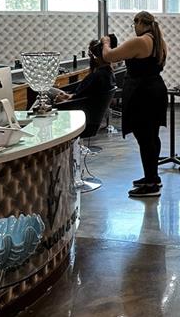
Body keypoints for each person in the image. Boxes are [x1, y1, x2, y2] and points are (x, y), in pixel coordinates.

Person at [101, 11, 168, 198]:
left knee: (145, 139)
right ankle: (152, 177)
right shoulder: (159, 41)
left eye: (134, 24)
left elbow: (109, 56)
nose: (134, 28)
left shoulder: (140, 41)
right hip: (155, 90)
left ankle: (151, 185)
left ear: (140, 22)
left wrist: (105, 43)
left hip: (142, 93)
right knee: (151, 137)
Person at [55, 39, 116, 105]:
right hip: (90, 106)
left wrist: (63, 98)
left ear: (94, 57)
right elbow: (82, 94)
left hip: (74, 105)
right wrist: (68, 94)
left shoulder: (96, 76)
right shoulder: (109, 72)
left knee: (49, 91)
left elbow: (76, 98)